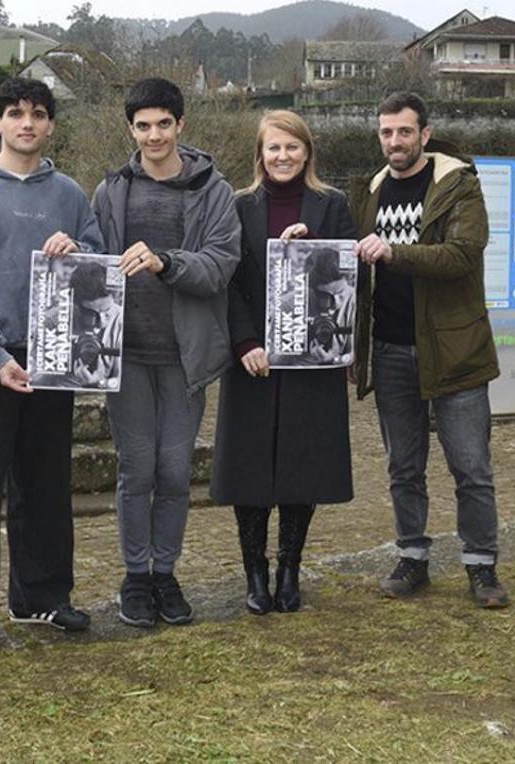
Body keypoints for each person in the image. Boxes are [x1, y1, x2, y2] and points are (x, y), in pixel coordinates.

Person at [0, 77, 105, 657]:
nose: (26, 123)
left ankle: (41, 596)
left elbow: (97, 268)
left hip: (53, 358)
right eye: (14, 113)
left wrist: (78, 252)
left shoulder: (70, 195)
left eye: (37, 113)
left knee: (46, 483)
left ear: (51, 124)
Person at [92, 78, 240, 628]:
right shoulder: (110, 191)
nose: (153, 135)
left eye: (163, 124)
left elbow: (221, 262)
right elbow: (93, 262)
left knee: (175, 470)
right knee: (136, 469)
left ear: (181, 125)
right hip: (125, 356)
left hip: (185, 356)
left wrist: (167, 262)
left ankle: (165, 573)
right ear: (130, 129)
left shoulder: (214, 190)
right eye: (142, 125)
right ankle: (135, 576)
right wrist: (69, 250)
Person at [352, 92, 508, 608]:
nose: (394, 142)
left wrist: (394, 251)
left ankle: (482, 567)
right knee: (403, 466)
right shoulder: (372, 190)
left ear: (424, 133)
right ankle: (412, 557)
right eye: (385, 132)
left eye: (403, 132)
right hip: (392, 350)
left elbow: (462, 255)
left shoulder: (458, 185)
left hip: (455, 350)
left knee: (471, 467)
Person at [210, 110, 357, 616]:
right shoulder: (238, 205)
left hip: (311, 359)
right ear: (260, 153)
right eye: (274, 147)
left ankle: (290, 569)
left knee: (302, 465)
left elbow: (348, 276)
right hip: (253, 357)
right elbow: (227, 279)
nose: (283, 156)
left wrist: (313, 252)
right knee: (250, 468)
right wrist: (244, 340)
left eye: (292, 147)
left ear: (307, 151)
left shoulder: (332, 204)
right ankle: (255, 573)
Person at [69, 260, 122, 387]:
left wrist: (99, 383)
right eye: (90, 313)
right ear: (75, 305)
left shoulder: (121, 321)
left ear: (114, 296)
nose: (102, 321)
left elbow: (125, 380)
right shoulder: (57, 320)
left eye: (106, 311)